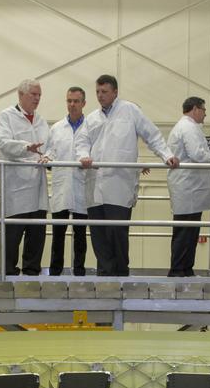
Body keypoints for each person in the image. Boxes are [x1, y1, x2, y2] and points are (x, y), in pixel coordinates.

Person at [75, 74, 179, 276]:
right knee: (98, 234)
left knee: (117, 232)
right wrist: (83, 156)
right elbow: (81, 141)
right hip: (95, 184)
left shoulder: (130, 111)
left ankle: (121, 275)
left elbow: (151, 134)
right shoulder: (92, 118)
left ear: (115, 92)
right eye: (97, 91)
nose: (100, 95)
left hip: (119, 184)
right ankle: (104, 276)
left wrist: (167, 155)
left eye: (104, 91)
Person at [0, 79, 52, 276]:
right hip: (16, 188)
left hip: (38, 187)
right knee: (12, 237)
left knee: (36, 237)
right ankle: (8, 277)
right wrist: (26, 147)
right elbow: (3, 144)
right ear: (21, 95)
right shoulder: (6, 117)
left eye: (39, 95)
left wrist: (49, 156)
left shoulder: (41, 121)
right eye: (33, 94)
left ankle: (32, 275)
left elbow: (50, 146)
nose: (37, 98)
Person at [165, 97, 210, 277]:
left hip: (190, 189)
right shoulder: (188, 127)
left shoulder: (188, 127)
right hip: (188, 189)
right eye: (204, 110)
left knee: (190, 233)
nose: (205, 114)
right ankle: (178, 271)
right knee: (185, 233)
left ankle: (186, 270)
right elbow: (197, 154)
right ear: (195, 109)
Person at [45, 86, 89, 276]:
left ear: (83, 103)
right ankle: (55, 273)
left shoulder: (91, 127)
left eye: (76, 101)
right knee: (58, 234)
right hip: (61, 187)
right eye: (69, 101)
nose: (72, 104)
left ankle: (79, 272)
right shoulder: (56, 128)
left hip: (82, 186)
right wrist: (46, 158)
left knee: (80, 235)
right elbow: (50, 152)